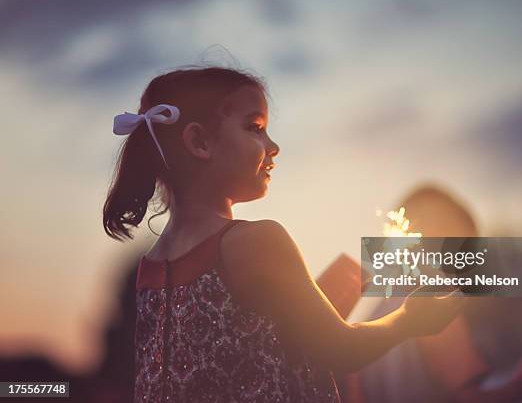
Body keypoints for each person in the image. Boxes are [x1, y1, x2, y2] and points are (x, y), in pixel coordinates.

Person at [102, 66, 464, 402]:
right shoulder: (259, 242)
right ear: (200, 143)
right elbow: (341, 349)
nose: (273, 147)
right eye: (255, 128)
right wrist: (407, 319)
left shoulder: (150, 266)